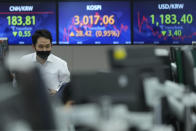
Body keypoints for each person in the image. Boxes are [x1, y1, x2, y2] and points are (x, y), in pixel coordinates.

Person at [21, 29, 70, 95]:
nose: (44, 50)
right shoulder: (24, 61)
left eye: (47, 46)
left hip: (54, 101)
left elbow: (66, 86)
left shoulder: (61, 64)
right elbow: (17, 84)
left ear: (51, 45)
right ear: (33, 46)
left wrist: (56, 91)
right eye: (41, 46)